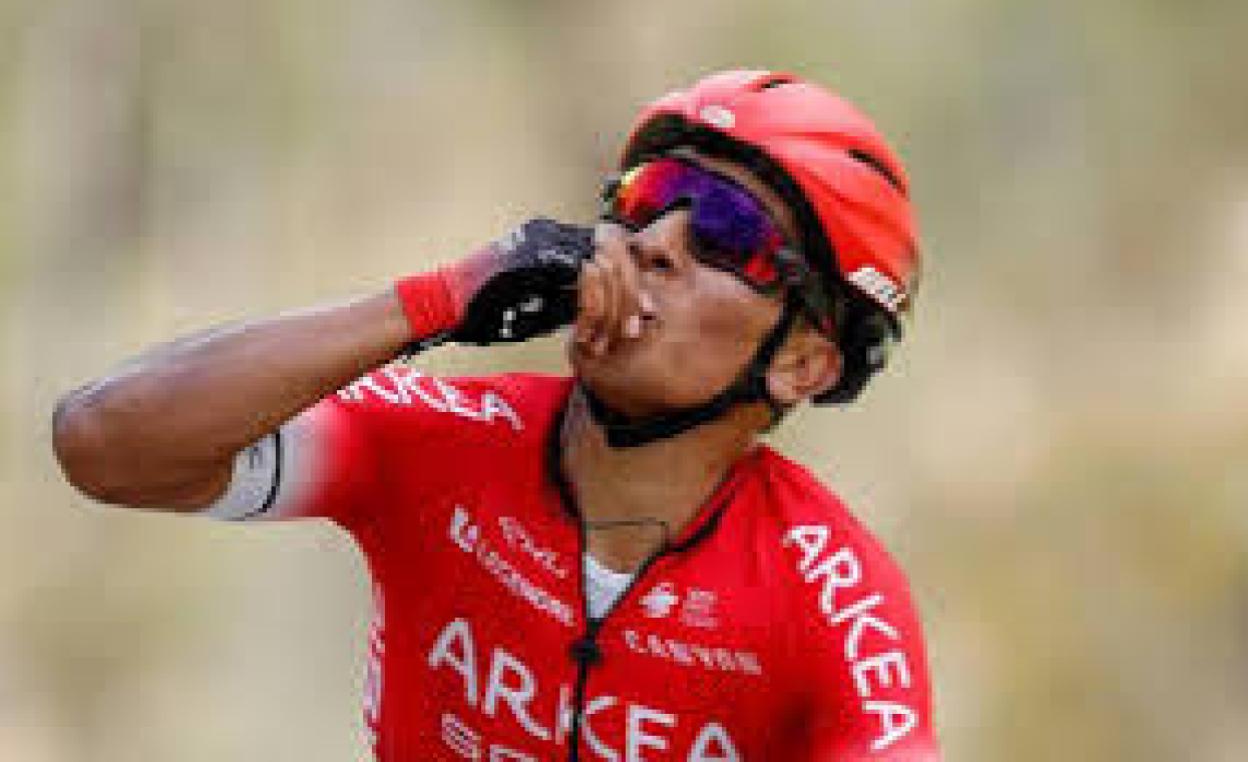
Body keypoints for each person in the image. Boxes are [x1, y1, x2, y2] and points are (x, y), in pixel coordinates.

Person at [52, 69, 939, 761]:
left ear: (802, 361)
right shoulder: (443, 437)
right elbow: (106, 444)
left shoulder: (834, 593)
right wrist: (440, 298)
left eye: (725, 230)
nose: (654, 242)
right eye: (646, 196)